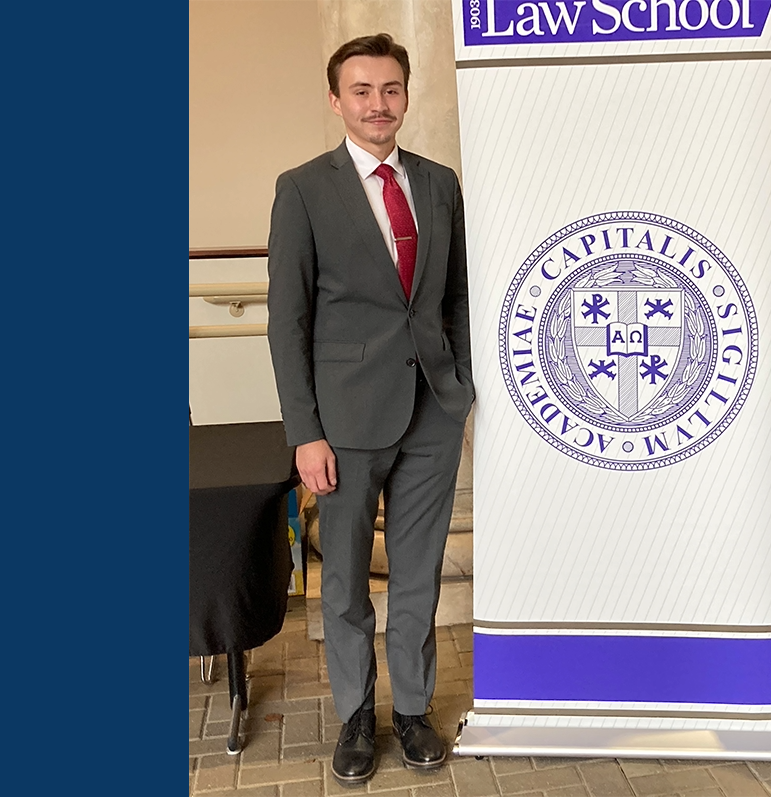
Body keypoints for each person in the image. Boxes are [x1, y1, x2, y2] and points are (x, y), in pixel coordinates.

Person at [266, 32, 474, 785]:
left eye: (390, 89)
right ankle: (357, 713)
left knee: (415, 575)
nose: (378, 104)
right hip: (343, 424)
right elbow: (286, 321)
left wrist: (463, 385)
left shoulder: (439, 181)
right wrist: (304, 432)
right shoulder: (303, 188)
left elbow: (456, 295)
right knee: (348, 581)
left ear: (406, 95)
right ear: (336, 99)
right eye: (361, 90)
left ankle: (412, 711)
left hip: (432, 412)